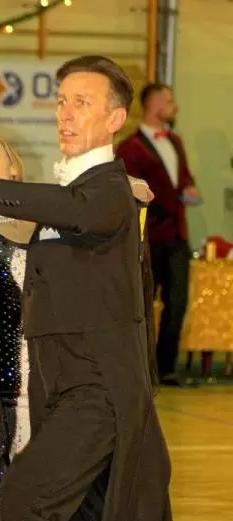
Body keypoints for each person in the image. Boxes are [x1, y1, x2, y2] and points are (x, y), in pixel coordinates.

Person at [0, 55, 178, 521]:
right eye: (61, 101)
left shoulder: (109, 189)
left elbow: (82, 210)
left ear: (115, 118)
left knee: (25, 500)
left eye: (82, 102)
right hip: (59, 388)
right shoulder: (74, 193)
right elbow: (44, 215)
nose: (65, 113)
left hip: (99, 390)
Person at [117, 83, 201, 387]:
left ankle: (166, 368)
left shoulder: (175, 141)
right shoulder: (129, 147)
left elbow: (183, 177)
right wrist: (171, 199)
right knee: (141, 303)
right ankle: (137, 367)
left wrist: (189, 187)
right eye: (169, 100)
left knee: (177, 302)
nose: (174, 105)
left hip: (177, 234)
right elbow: (129, 190)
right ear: (153, 104)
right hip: (148, 236)